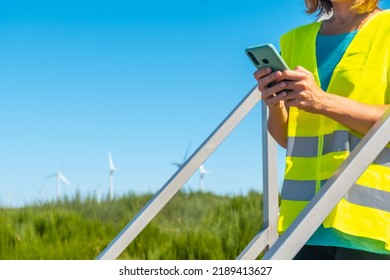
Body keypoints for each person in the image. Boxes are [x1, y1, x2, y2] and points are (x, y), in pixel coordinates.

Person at [254, 0, 390, 260]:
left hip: (371, 227)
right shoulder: (294, 40)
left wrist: (322, 101)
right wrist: (275, 105)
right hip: (302, 223)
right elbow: (287, 139)